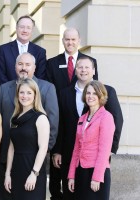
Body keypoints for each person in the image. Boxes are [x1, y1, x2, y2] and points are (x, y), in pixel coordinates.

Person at [53, 57, 123, 200]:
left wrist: (109, 151)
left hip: (96, 164)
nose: (83, 70)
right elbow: (62, 125)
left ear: (93, 71)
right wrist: (59, 153)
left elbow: (117, 121)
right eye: (80, 67)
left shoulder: (106, 107)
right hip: (75, 161)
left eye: (87, 67)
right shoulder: (78, 111)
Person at [0, 52, 59, 200]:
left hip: (33, 161)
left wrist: (38, 155)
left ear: (34, 68)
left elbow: (52, 126)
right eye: (20, 64)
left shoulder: (47, 89)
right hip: (9, 162)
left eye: (27, 64)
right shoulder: (5, 89)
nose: (23, 68)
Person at [46, 27, 98, 200]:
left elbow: (98, 98)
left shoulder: (90, 62)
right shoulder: (52, 63)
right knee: (59, 183)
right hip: (64, 136)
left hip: (89, 142)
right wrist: (56, 149)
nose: (70, 42)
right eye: (67, 39)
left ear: (79, 40)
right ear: (63, 41)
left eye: (73, 39)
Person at [68, 80, 115, 200]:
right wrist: (71, 175)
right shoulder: (82, 118)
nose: (90, 96)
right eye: (88, 93)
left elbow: (104, 150)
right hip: (81, 171)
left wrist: (96, 178)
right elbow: (76, 149)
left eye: (94, 93)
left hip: (96, 172)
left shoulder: (106, 117)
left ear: (101, 96)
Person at [4, 78, 49, 200]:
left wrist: (34, 174)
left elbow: (43, 148)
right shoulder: (15, 118)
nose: (25, 96)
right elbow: (11, 148)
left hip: (33, 169)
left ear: (35, 95)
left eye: (29, 93)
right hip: (17, 170)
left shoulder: (41, 118)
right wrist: (8, 174)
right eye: (22, 92)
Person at [0, 15, 47, 86]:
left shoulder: (40, 52)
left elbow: (40, 78)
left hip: (32, 95)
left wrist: (29, 93)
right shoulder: (3, 50)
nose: (25, 30)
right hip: (9, 94)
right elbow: (0, 75)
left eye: (28, 28)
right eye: (22, 27)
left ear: (32, 30)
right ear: (16, 28)